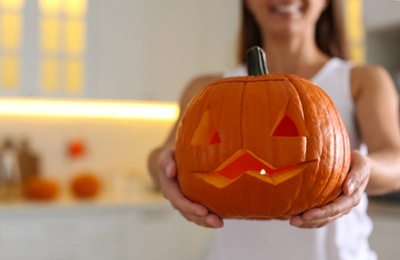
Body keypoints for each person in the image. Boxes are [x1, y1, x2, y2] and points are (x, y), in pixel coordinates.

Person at [148, 0, 400, 259]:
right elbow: (164, 158)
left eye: (286, 129)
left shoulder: (362, 80)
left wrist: (363, 170)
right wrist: (164, 170)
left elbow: (395, 161)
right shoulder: (206, 90)